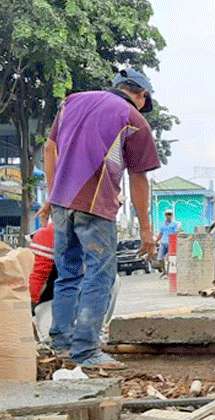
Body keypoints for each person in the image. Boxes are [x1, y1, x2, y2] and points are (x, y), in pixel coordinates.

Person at [38, 68, 161, 369]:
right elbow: (139, 179)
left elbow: (50, 148)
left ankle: (63, 344)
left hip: (61, 204)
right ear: (141, 96)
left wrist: (51, 196)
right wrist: (146, 230)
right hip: (96, 206)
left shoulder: (72, 101)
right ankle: (87, 350)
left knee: (68, 275)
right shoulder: (134, 120)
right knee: (99, 276)